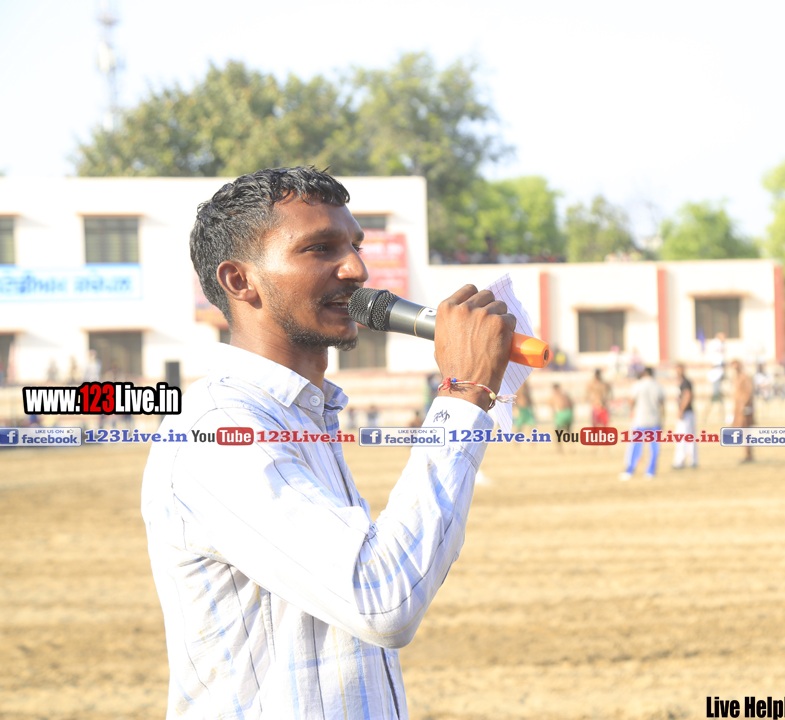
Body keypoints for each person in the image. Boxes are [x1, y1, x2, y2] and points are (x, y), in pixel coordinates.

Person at [141, 167, 516, 719]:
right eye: (320, 249)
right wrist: (464, 393)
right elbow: (382, 597)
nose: (357, 269)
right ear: (239, 281)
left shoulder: (302, 413)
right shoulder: (223, 429)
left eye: (355, 246)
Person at [621, 367, 664, 480]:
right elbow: (662, 405)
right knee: (654, 448)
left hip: (640, 420)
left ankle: (630, 470)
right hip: (654, 420)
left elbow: (631, 402)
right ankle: (650, 471)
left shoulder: (637, 385)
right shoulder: (658, 386)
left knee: (636, 447)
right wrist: (662, 420)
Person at [671, 363, 697, 470]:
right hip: (688, 413)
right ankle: (692, 460)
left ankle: (680, 461)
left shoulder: (685, 382)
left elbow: (688, 395)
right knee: (689, 437)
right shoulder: (682, 382)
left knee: (682, 437)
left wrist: (681, 410)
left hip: (686, 413)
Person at [730, 359, 755, 463]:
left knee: (745, 430)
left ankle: (748, 455)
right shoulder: (736, 378)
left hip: (744, 407)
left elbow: (749, 392)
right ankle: (747, 454)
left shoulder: (745, 377)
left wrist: (744, 404)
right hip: (738, 407)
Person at [550, 382, 573, 452]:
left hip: (561, 413)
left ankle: (560, 449)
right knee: (568, 431)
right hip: (568, 413)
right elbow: (571, 405)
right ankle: (571, 446)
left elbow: (552, 407)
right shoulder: (565, 395)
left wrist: (554, 415)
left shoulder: (554, 396)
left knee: (558, 433)